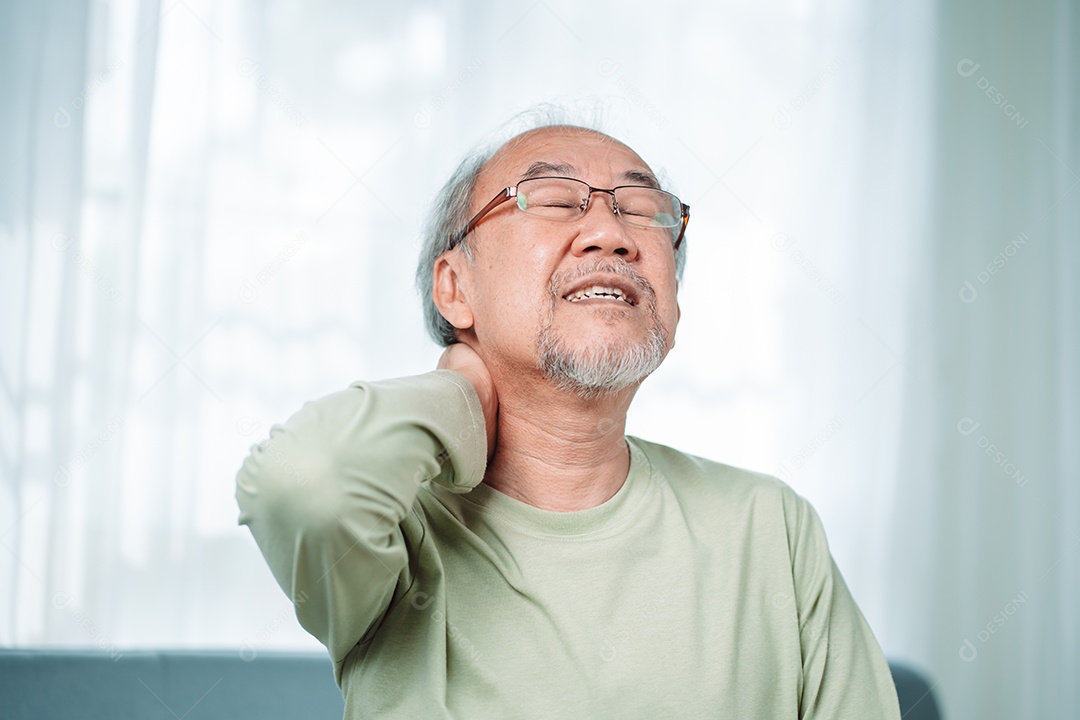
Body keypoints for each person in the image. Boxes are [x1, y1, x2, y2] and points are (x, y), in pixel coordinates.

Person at [235, 116, 902, 719]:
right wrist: (460, 394)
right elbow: (305, 478)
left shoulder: (771, 527)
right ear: (454, 288)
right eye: (554, 201)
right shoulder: (393, 530)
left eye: (645, 212)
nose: (613, 234)